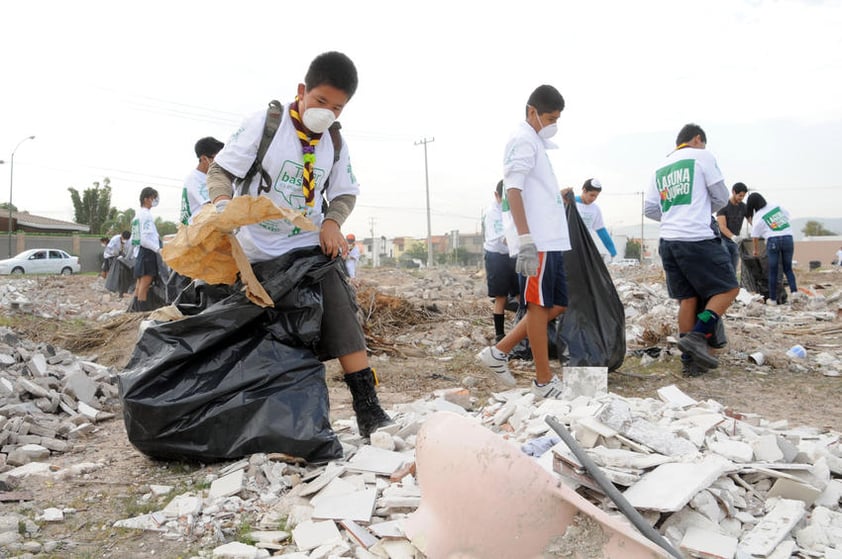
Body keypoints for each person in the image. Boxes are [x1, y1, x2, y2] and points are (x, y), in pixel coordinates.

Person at [206, 51, 391, 438]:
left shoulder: (333, 143)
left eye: (337, 108)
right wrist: (224, 206)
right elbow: (221, 170)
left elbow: (345, 194)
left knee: (340, 308)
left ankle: (367, 408)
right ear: (302, 91)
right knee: (258, 338)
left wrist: (331, 223)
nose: (327, 113)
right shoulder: (266, 126)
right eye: (321, 101)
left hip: (306, 249)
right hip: (255, 254)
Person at [476, 84, 571, 399]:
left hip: (550, 239)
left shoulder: (535, 142)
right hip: (538, 241)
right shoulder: (522, 139)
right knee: (539, 306)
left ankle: (499, 352)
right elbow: (513, 190)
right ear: (533, 111)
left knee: (556, 304)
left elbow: (534, 193)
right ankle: (543, 382)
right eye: (550, 117)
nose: (554, 123)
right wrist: (527, 238)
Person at [644, 123, 738, 376]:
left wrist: (674, 214)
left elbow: (650, 209)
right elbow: (721, 196)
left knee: (688, 298)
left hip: (668, 240)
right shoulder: (702, 156)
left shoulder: (660, 167)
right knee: (729, 288)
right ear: (697, 139)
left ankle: (690, 363)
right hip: (696, 237)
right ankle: (698, 336)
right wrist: (699, 211)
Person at [482, 180, 520, 343]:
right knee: (501, 296)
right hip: (496, 256)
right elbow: (502, 239)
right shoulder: (492, 212)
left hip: (512, 255)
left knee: (520, 293)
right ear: (497, 195)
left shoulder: (512, 208)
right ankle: (500, 335)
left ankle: (522, 329)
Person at [746, 192, 798, 305]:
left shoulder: (758, 215)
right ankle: (794, 293)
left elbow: (755, 236)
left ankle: (773, 299)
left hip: (773, 240)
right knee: (788, 268)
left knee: (772, 271)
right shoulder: (776, 206)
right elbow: (787, 216)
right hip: (788, 237)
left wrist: (755, 250)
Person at [180, 136, 225, 226]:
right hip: (198, 233)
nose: (222, 162)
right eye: (218, 158)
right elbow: (215, 206)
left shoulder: (214, 176)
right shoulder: (194, 179)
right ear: (204, 159)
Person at [130, 187, 161, 312]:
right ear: (146, 199)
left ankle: (134, 311)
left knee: (139, 285)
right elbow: (144, 238)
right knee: (145, 284)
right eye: (153, 198)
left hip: (141, 253)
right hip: (148, 252)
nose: (154, 201)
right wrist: (158, 249)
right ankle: (140, 313)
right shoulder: (146, 215)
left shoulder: (138, 215)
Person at [575, 178, 617, 260]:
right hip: (569, 246)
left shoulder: (595, 209)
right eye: (592, 195)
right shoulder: (571, 203)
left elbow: (601, 230)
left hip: (585, 246)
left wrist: (611, 249)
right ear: (584, 190)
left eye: (596, 196)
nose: (593, 198)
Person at [716, 182, 748, 274]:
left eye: (743, 196)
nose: (741, 198)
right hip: (723, 240)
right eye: (740, 195)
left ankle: (732, 286)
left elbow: (751, 220)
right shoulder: (723, 206)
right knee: (725, 264)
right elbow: (722, 226)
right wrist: (733, 237)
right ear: (734, 192)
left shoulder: (743, 207)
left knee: (733, 266)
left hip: (735, 243)